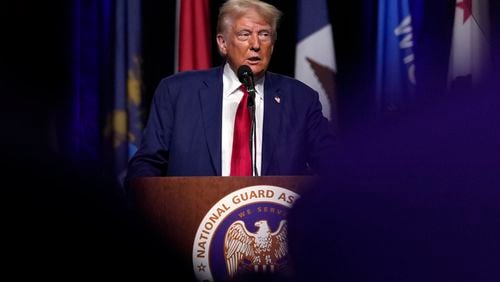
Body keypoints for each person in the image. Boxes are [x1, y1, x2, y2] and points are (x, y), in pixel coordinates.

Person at [125, 0, 335, 181]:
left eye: (264, 34)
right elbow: (145, 166)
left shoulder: (300, 99)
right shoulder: (177, 93)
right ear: (223, 43)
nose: (255, 44)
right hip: (192, 223)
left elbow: (332, 167)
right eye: (245, 34)